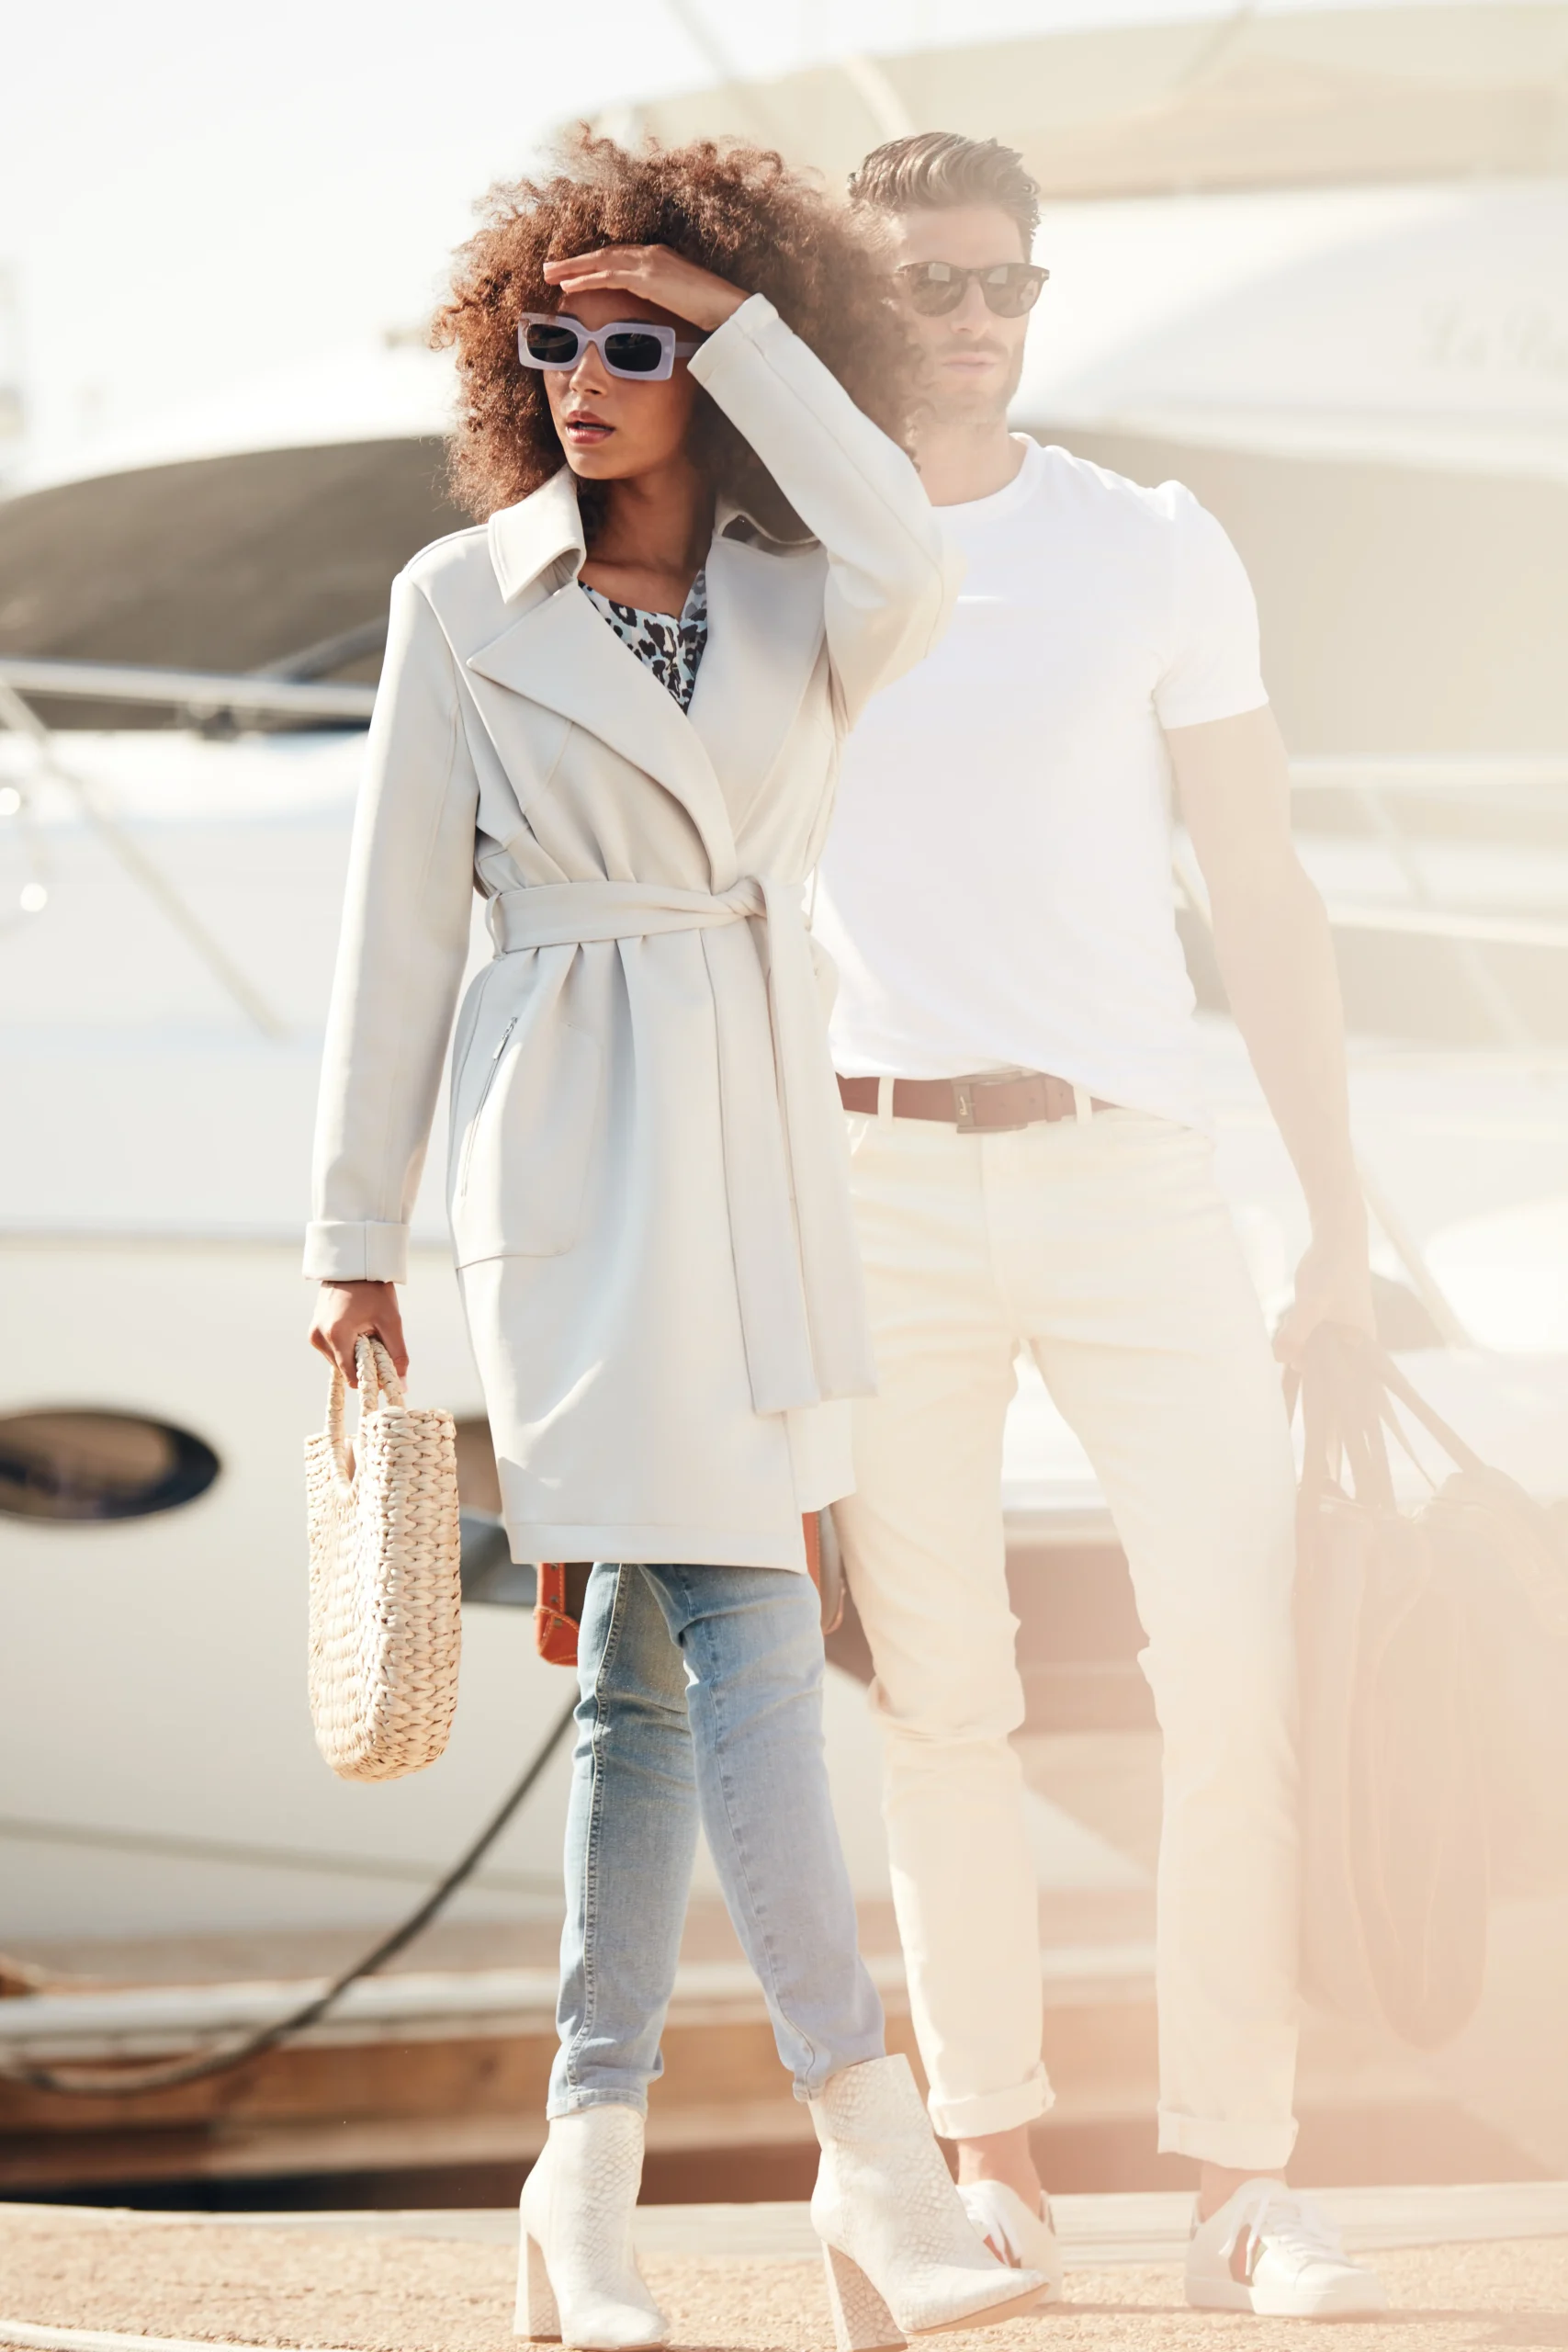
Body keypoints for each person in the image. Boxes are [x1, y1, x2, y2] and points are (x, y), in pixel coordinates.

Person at [305, 134, 1048, 2352]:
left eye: (642, 338)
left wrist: (747, 326)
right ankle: (878, 2151)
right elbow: (389, 943)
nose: (591, 377)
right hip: (568, 1161)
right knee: (738, 1619)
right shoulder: (466, 601)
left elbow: (910, 529)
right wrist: (353, 1239)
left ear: (727, 359)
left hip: (756, 1151)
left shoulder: (811, 593)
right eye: (558, 338)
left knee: (642, 1690)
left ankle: (580, 2183)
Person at [810, 131, 1388, 2321]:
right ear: (858, 303)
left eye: (1006, 285)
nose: (973, 316)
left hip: (1138, 1173)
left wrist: (1337, 1220)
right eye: (930, 283)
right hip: (872, 1182)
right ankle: (990, 2158)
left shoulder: (1149, 543)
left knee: (1227, 1674)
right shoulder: (782, 552)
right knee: (939, 1695)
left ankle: (1244, 2174)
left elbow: (1263, 891)